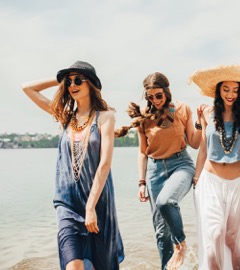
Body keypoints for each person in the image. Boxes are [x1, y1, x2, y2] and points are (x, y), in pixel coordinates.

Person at [21, 61, 124, 270]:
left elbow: (104, 164)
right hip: (67, 203)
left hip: (97, 203)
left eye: (78, 80)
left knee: (100, 265)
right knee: (73, 266)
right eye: (69, 81)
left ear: (91, 84)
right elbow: (28, 88)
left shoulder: (105, 117)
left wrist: (90, 207)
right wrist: (61, 77)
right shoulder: (66, 116)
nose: (72, 85)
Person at [115, 72, 204, 270]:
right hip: (155, 171)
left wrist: (199, 122)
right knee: (161, 232)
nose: (155, 100)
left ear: (166, 92)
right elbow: (142, 152)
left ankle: (181, 243)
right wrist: (141, 182)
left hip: (181, 165)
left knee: (166, 201)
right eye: (150, 96)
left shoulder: (181, 109)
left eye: (159, 96)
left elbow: (195, 143)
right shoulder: (144, 118)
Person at [189, 64, 240, 270]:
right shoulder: (207, 112)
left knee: (233, 242)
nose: (231, 94)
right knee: (214, 236)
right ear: (218, 89)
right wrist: (196, 179)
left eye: (236, 90)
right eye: (226, 89)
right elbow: (203, 149)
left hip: (236, 183)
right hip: (210, 181)